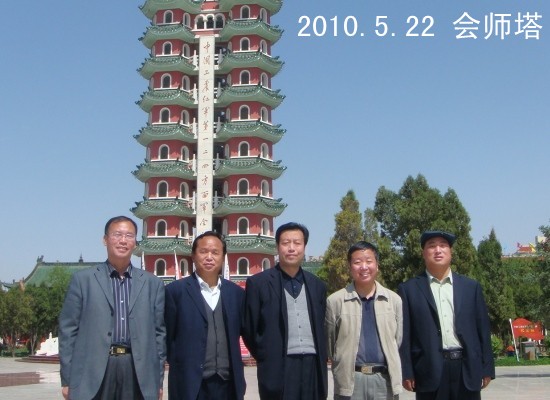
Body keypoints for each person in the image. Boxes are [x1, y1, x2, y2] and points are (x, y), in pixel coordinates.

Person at [59, 216, 166, 400]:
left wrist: (158, 380)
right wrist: (67, 379)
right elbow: (68, 331)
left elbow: (159, 335)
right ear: (105, 240)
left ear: (135, 243)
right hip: (94, 370)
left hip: (137, 370)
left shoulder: (152, 284)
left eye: (129, 236)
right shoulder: (83, 280)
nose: (123, 240)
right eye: (117, 234)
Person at [398, 230, 495, 400]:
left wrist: (487, 368)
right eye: (432, 246)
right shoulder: (409, 289)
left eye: (443, 245)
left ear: (451, 252)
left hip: (466, 368)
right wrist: (407, 371)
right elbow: (405, 335)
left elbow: (483, 330)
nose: (438, 250)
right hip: (428, 370)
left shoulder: (471, 287)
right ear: (423, 253)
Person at [242, 222, 328, 400]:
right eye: (285, 243)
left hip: (312, 364)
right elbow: (249, 328)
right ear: (277, 247)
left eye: (297, 243)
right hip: (278, 365)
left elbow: (323, 326)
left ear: (304, 247)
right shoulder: (258, 284)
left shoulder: (317, 285)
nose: (291, 248)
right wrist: (266, 355)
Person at [164, 231, 246, 400]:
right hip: (190, 383)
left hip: (227, 383)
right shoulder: (175, 292)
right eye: (203, 252)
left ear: (223, 257)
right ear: (193, 256)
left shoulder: (236, 294)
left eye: (215, 252)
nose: (209, 257)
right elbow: (167, 337)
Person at [326, 241, 403, 400]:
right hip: (351, 381)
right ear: (350, 266)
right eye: (357, 262)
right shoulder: (335, 301)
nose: (364, 267)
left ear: (377, 265)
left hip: (384, 380)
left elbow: (398, 339)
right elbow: (330, 342)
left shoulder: (393, 300)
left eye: (369, 261)